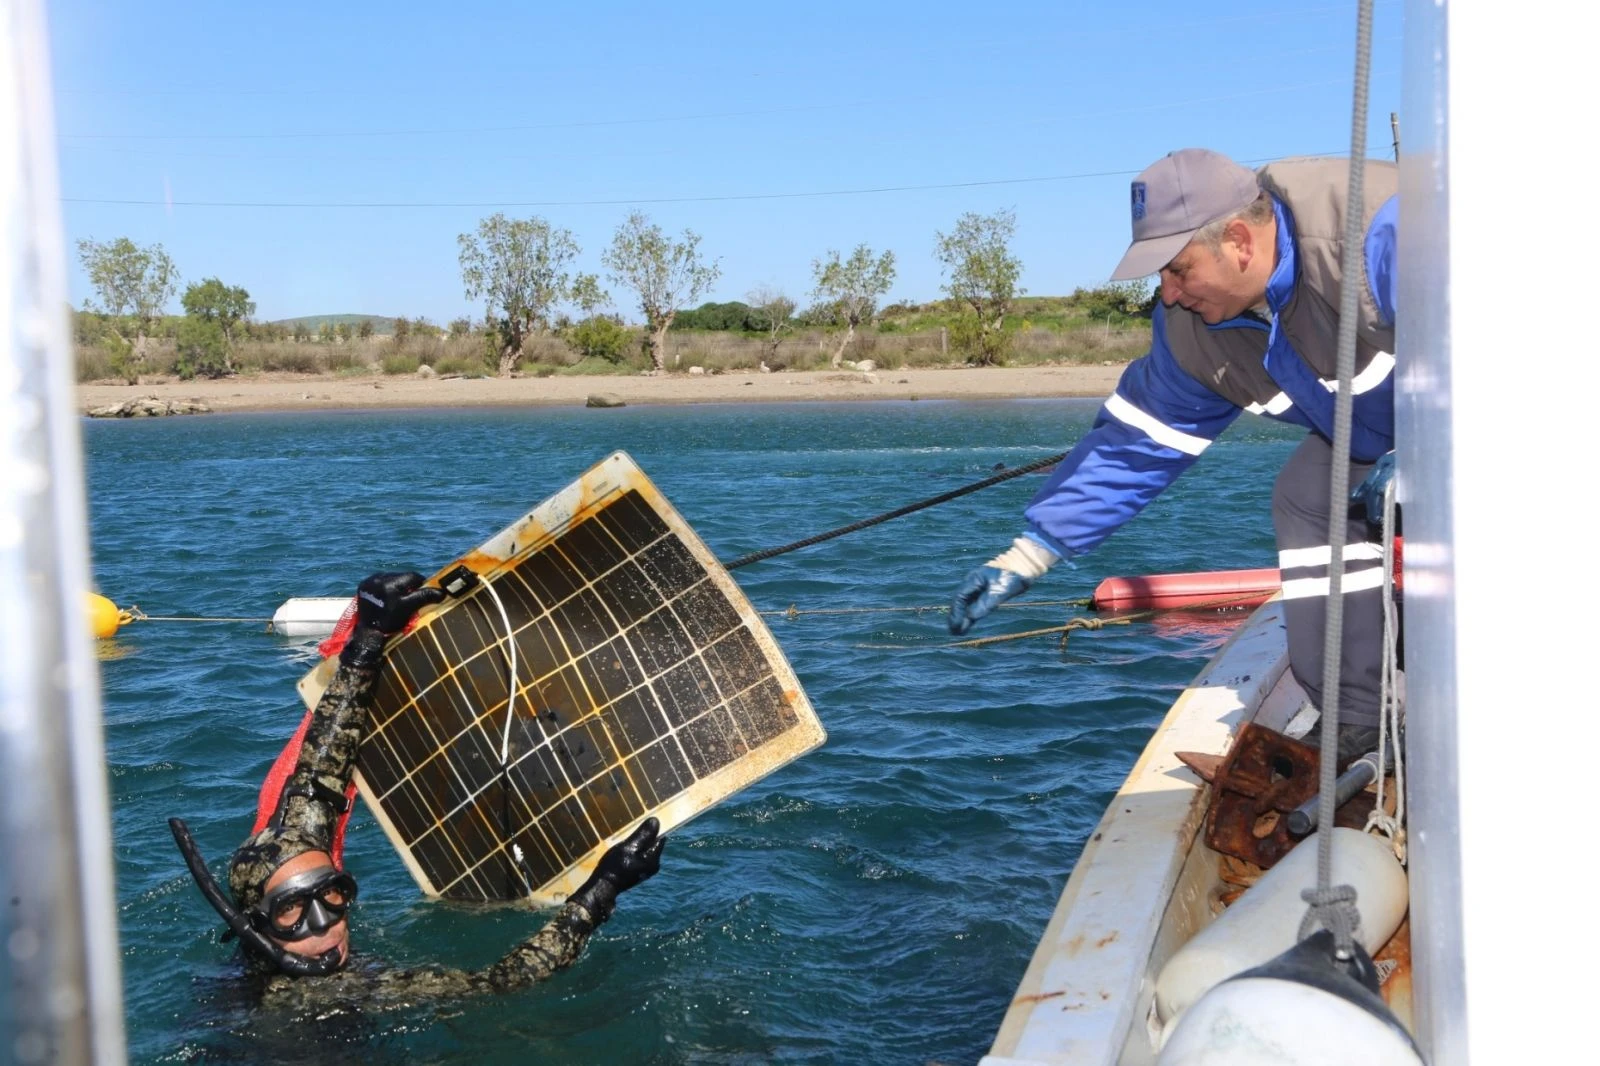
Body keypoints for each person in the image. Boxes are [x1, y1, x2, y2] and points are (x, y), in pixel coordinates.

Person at [948, 148, 1398, 762]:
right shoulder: (1192, 325)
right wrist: (1026, 557)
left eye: (1178, 269)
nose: (1169, 292)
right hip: (1389, 445)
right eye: (1159, 275)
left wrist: (1442, 444)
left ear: (1238, 240)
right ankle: (1357, 720)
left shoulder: (1378, 229)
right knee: (1309, 497)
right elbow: (1137, 444)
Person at [170, 571, 665, 1002]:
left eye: (332, 895)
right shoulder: (317, 992)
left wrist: (368, 640)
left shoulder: (291, 854)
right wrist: (601, 892)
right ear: (254, 925)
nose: (324, 926)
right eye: (292, 913)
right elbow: (501, 985)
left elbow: (320, 771)